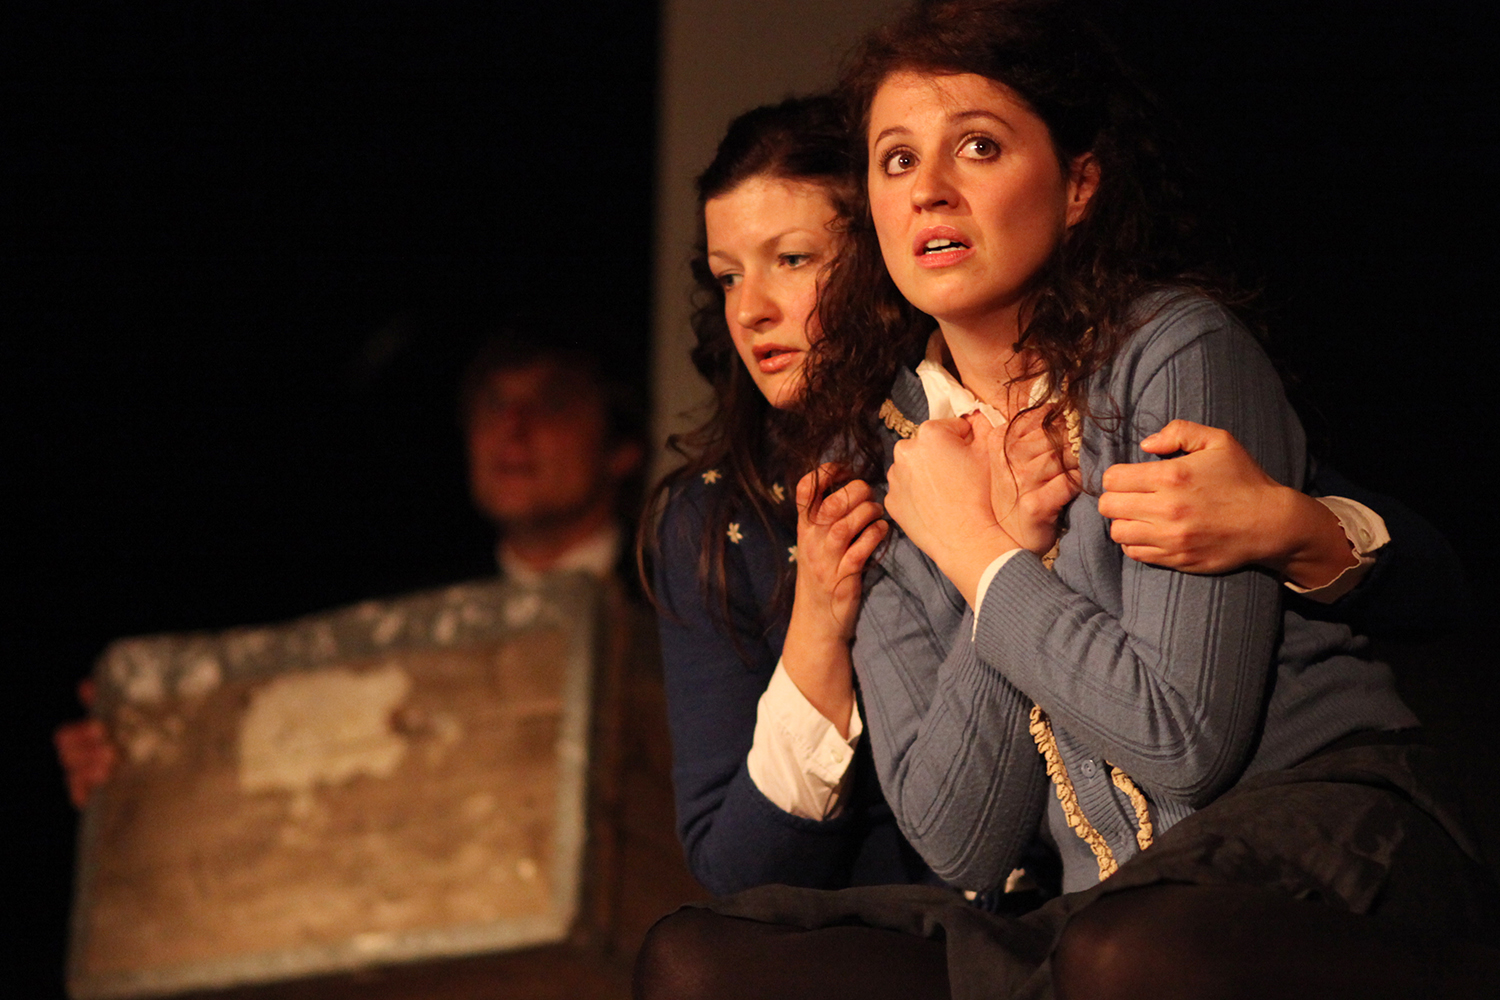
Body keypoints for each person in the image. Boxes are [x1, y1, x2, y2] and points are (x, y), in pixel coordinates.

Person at [636, 3, 1497, 998]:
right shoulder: (876, 464)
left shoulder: (1170, 350)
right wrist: (1003, 541)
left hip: (1312, 836)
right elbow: (961, 842)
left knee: (1126, 954)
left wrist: (981, 555)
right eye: (898, 161)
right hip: (1098, 904)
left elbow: (1186, 741)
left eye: (979, 147)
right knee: (697, 964)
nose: (931, 191)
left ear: (1079, 184)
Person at [58, 325, 648, 801]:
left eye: (551, 404)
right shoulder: (400, 621)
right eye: (493, 403)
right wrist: (137, 756)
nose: (512, 428)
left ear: (621, 448)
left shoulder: (675, 608)